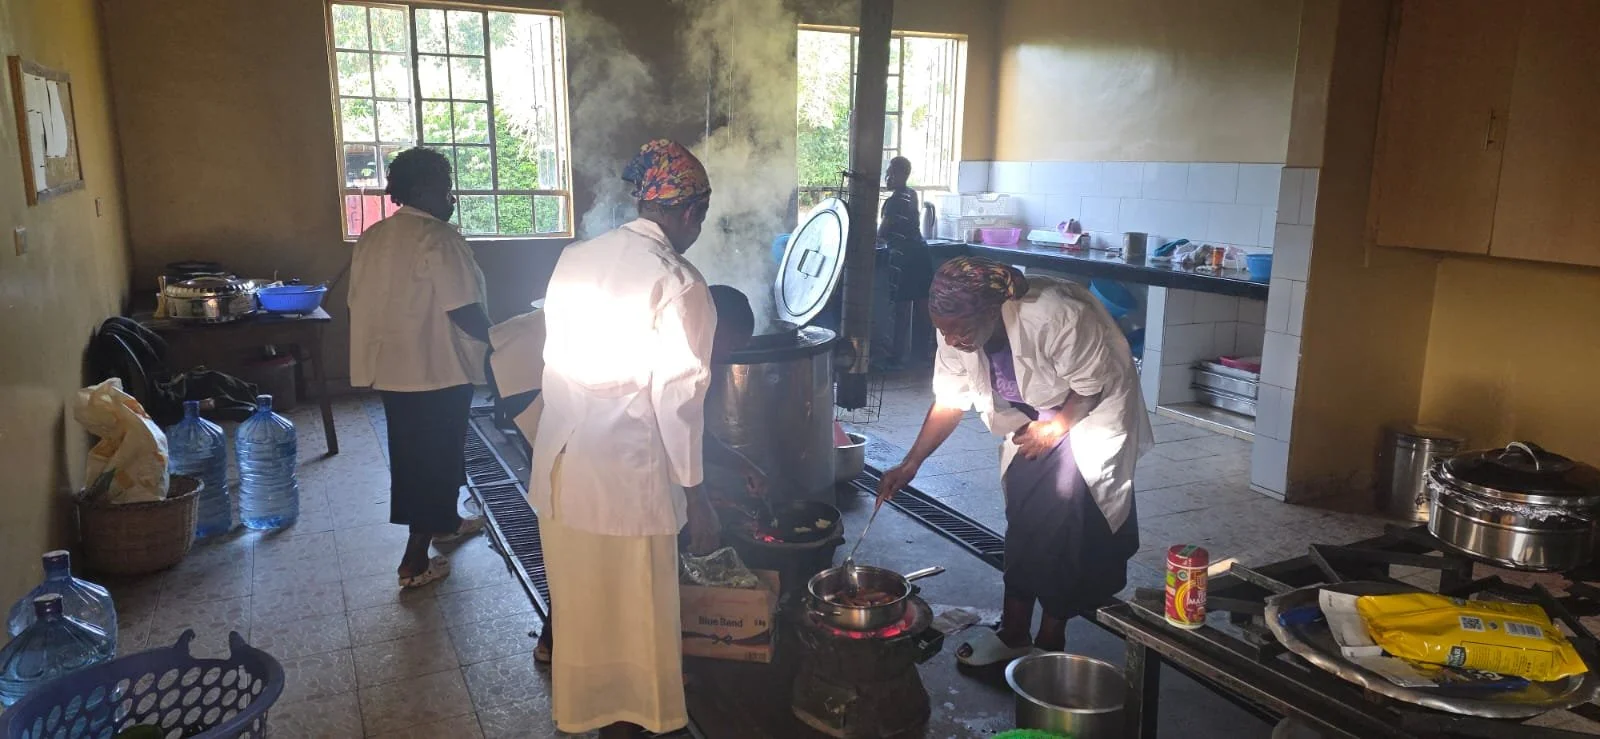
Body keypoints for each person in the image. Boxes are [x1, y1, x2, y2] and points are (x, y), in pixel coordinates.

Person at [532, 139, 721, 738]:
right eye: (702, 215)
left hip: (561, 464)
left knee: (584, 609)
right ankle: (634, 724)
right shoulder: (678, 280)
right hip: (625, 478)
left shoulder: (576, 258)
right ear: (690, 210)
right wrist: (696, 494)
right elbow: (679, 401)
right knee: (637, 616)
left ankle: (588, 714)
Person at [876, 257, 1152, 666]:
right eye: (942, 330)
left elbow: (1092, 386)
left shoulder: (1057, 314)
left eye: (958, 330)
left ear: (992, 311)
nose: (950, 339)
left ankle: (1050, 640)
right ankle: (1015, 632)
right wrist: (910, 463)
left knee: (1069, 524)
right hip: (1033, 416)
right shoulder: (955, 331)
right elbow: (950, 401)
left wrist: (1055, 428)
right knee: (1023, 519)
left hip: (1086, 411)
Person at [490, 286, 761, 668]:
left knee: (594, 513)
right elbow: (675, 427)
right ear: (716, 326)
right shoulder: (673, 342)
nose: (728, 357)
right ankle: (567, 642)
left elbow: (677, 429)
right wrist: (697, 501)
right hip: (525, 373)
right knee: (585, 519)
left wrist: (737, 464)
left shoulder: (680, 325)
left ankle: (568, 636)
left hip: (544, 365)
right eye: (731, 346)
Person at [347, 147, 489, 589]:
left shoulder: (374, 237)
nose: (452, 199)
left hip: (393, 368)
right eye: (446, 190)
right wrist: (502, 341)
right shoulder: (438, 238)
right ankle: (413, 560)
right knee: (436, 458)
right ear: (425, 190)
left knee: (417, 455)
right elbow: (463, 308)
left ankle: (447, 523)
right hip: (437, 367)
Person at [878, 156, 935, 366]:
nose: (887, 177)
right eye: (888, 172)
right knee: (922, 307)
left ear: (903, 174)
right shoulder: (912, 194)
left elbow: (882, 233)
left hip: (903, 257)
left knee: (901, 308)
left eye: (891, 173)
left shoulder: (893, 202)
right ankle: (923, 354)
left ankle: (897, 356)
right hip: (921, 253)